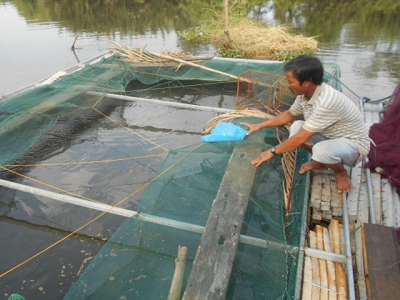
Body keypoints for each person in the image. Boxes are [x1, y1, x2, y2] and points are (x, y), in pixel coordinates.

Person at [241, 55, 370, 193]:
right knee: (296, 127)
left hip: (354, 145)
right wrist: (259, 125)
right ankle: (321, 163)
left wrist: (272, 151)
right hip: (331, 136)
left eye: (290, 81)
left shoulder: (326, 102)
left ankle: (340, 172)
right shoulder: (305, 95)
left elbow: (301, 138)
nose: (288, 85)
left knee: (321, 150)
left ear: (307, 82)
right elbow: (290, 114)